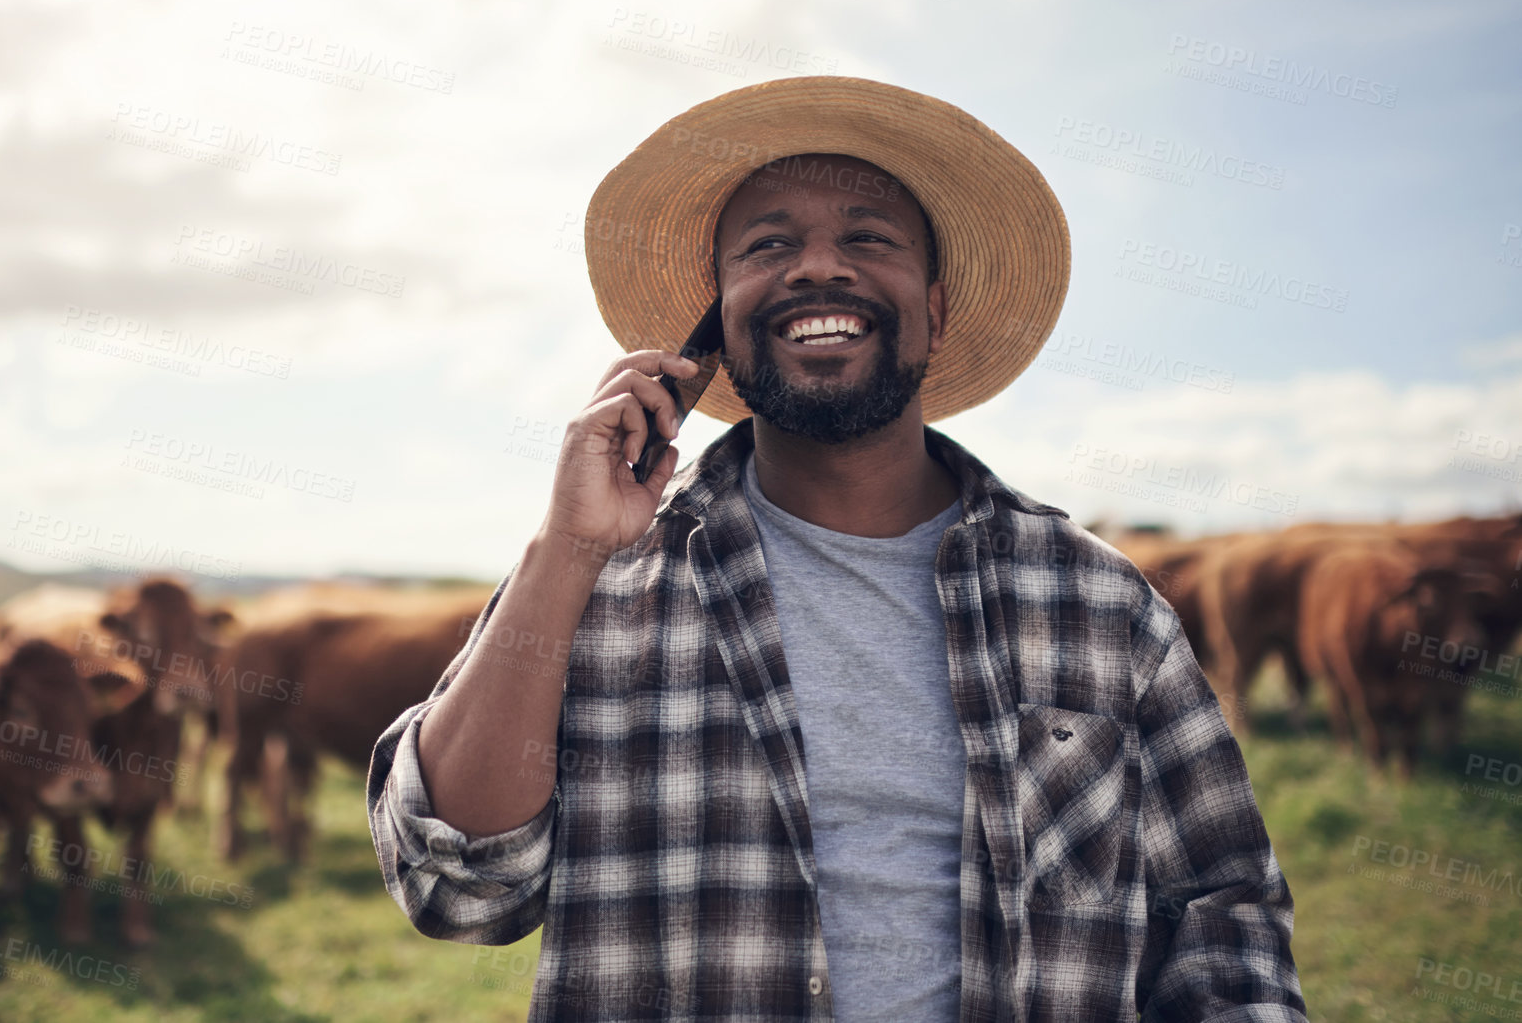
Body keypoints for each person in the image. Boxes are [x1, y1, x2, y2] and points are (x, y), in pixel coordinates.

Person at [367, 76, 1307, 1022]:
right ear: (718, 322)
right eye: (768, 245)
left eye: (867, 238)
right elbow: (458, 887)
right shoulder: (592, 587)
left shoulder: (1101, 607)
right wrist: (564, 545)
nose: (818, 266)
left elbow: (1222, 921)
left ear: (934, 310)